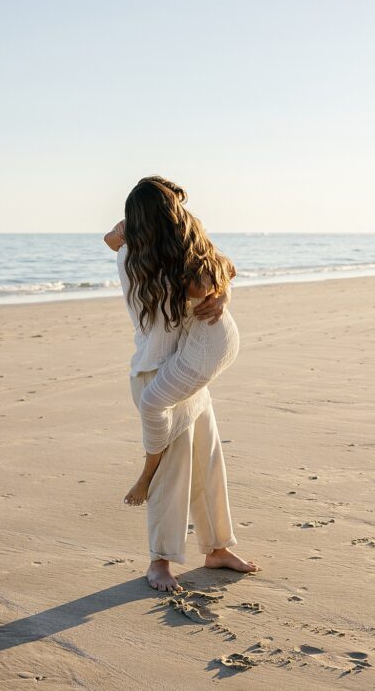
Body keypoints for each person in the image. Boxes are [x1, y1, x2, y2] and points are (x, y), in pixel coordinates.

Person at [104, 176, 258, 592]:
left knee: (209, 461)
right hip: (156, 372)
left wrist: (223, 293)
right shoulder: (137, 257)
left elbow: (221, 270)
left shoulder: (171, 252)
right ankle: (160, 560)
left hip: (186, 365)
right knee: (172, 474)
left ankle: (218, 548)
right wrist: (220, 288)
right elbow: (113, 237)